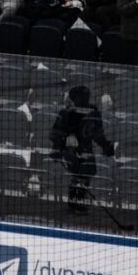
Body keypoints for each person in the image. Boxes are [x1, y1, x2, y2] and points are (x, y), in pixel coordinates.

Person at [50, 85, 114, 214]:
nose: (84, 99)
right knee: (78, 174)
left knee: (86, 173)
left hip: (86, 150)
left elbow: (98, 135)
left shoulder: (93, 114)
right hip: (69, 151)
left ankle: (78, 200)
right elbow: (54, 134)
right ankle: (74, 201)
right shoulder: (66, 113)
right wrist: (65, 139)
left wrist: (106, 146)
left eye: (86, 97)